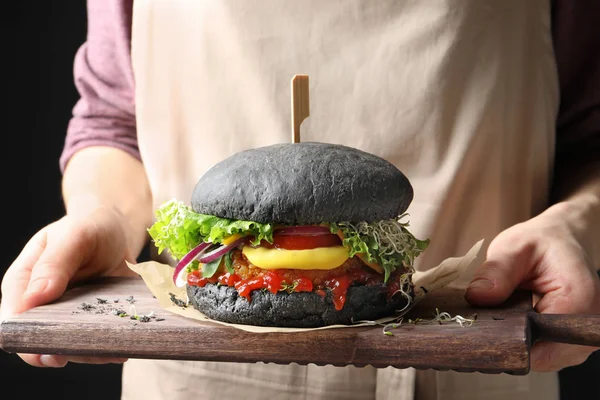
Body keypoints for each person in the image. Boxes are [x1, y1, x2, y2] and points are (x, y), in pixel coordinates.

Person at [1, 1, 599, 399]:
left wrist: (575, 222)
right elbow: (114, 121)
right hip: (196, 369)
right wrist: (103, 213)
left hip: (478, 364)